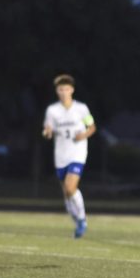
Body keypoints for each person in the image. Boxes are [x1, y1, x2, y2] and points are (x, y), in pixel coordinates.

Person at [42, 74, 96, 238]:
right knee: (66, 193)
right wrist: (47, 132)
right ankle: (76, 217)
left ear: (72, 90)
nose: (64, 92)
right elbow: (47, 129)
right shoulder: (52, 110)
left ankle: (81, 219)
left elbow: (92, 127)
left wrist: (84, 134)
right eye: (60, 89)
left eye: (66, 89)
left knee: (71, 187)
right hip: (61, 155)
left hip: (78, 153)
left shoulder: (81, 108)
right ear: (57, 91)